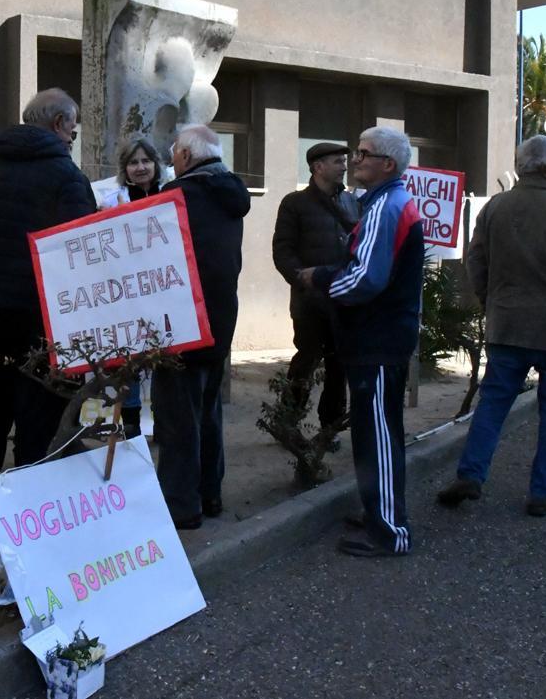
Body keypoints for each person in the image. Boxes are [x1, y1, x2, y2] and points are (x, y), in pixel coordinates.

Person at [438, 135, 546, 517]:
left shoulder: (495, 207)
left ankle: (471, 474)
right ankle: (541, 493)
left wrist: (489, 301)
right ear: (545, 168)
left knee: (493, 403)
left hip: (507, 322)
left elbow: (475, 261)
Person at [0, 88, 96, 516]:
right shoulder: (67, 178)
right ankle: (30, 493)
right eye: (72, 126)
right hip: (44, 314)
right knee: (38, 402)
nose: (73, 135)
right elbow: (83, 247)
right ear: (57, 124)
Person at [297, 128, 422, 557]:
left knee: (380, 436)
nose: (354, 160)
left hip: (378, 338)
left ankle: (389, 531)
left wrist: (321, 279)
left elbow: (364, 278)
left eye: (364, 153)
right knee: (374, 433)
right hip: (377, 336)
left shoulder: (387, 206)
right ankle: (379, 515)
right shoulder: (382, 203)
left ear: (387, 164)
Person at [151, 124, 250, 531]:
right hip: (220, 321)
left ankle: (180, 506)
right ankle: (210, 494)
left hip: (180, 324)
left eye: (174, 153)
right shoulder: (230, 194)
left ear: (187, 157)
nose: (171, 160)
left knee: (177, 419)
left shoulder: (176, 198)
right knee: (208, 411)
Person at [272, 142, 359, 436]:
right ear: (317, 166)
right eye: (337, 161)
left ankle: (330, 426)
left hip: (344, 298)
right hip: (309, 301)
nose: (344, 166)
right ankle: (287, 421)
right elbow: (282, 252)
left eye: (344, 161)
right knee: (306, 360)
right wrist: (303, 283)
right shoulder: (294, 203)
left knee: (339, 363)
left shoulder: (351, 203)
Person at [99, 136, 164, 436]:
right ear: (124, 169)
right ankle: (133, 425)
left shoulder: (169, 195)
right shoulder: (112, 202)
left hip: (164, 291)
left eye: (145, 161)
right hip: (126, 294)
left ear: (155, 164)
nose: (140, 167)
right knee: (129, 361)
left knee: (165, 360)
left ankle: (163, 423)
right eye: (133, 162)